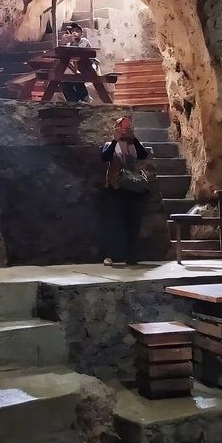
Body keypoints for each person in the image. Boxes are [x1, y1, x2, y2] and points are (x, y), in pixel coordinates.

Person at [101, 117, 149, 266]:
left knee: (134, 223)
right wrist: (115, 140)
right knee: (116, 223)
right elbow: (105, 157)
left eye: (128, 127)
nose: (125, 130)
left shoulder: (134, 145)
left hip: (134, 189)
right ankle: (113, 255)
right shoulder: (110, 144)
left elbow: (143, 155)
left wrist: (134, 139)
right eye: (122, 127)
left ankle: (131, 256)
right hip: (117, 188)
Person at [60, 23, 91, 102]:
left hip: (88, 68)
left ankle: (84, 98)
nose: (74, 33)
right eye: (72, 31)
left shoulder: (84, 41)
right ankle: (74, 101)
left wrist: (70, 42)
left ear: (81, 33)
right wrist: (64, 42)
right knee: (65, 83)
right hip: (75, 69)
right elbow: (64, 52)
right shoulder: (71, 43)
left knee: (76, 79)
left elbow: (79, 51)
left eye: (77, 31)